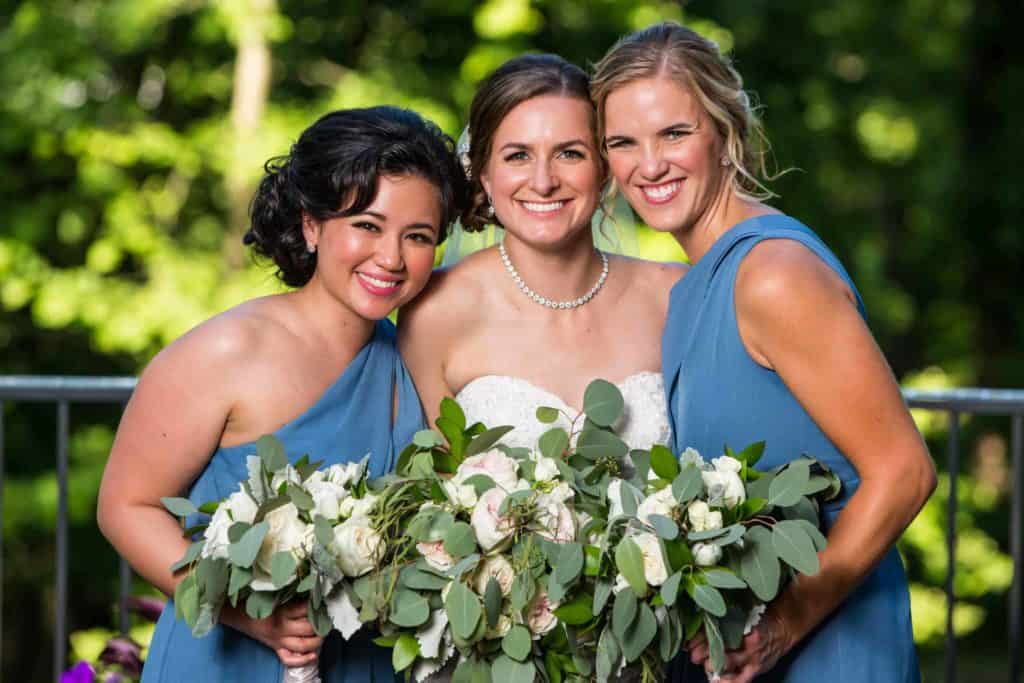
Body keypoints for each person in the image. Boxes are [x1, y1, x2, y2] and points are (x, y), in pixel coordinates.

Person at [591, 22, 936, 683]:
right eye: (623, 142)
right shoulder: (695, 285)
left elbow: (904, 470)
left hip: (832, 646)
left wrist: (787, 621)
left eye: (674, 133)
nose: (649, 164)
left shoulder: (773, 273)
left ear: (723, 131)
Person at [97, 106, 466, 682]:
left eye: (417, 236)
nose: (392, 258)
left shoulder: (419, 361)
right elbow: (126, 507)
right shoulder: (225, 351)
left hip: (365, 662)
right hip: (227, 659)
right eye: (367, 225)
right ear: (312, 224)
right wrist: (240, 611)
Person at [398, 53, 683, 454]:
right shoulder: (435, 312)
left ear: (603, 168)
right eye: (518, 156)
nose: (544, 181)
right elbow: (431, 486)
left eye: (570, 153)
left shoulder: (673, 296)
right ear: (484, 174)